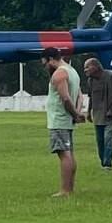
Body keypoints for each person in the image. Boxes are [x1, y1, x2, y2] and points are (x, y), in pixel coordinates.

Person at [40, 47, 84, 198]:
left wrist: (75, 114)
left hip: (59, 120)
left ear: (51, 59)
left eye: (44, 63)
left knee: (63, 154)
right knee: (69, 154)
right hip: (68, 120)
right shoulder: (73, 71)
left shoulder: (60, 73)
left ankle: (65, 190)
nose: (45, 67)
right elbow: (80, 95)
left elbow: (65, 98)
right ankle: (70, 188)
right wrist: (77, 113)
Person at [83, 57, 112, 171]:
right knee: (100, 140)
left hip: (110, 115)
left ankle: (107, 164)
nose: (85, 70)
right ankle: (103, 162)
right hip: (97, 115)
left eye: (87, 67)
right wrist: (88, 112)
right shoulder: (90, 81)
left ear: (95, 67)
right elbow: (91, 96)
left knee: (108, 138)